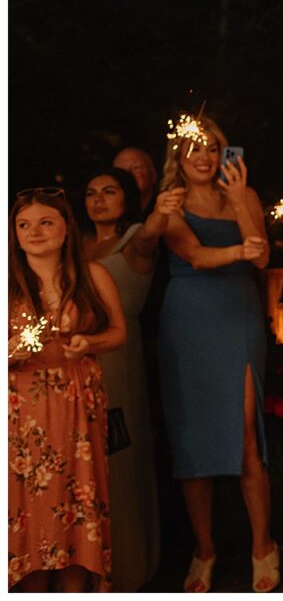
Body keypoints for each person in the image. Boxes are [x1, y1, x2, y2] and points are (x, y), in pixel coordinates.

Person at [155, 114, 277, 593]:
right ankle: (204, 550)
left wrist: (239, 199)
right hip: (188, 322)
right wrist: (239, 252)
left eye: (212, 147)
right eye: (194, 149)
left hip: (238, 318)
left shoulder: (242, 195)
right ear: (178, 158)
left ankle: (262, 544)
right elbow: (196, 256)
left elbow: (264, 256)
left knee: (246, 432)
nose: (203, 157)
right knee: (193, 440)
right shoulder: (172, 204)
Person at [9, 186, 126, 592]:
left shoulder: (91, 275)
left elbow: (118, 333)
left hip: (78, 404)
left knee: (78, 507)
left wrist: (88, 343)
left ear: (65, 229)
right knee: (27, 508)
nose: (33, 232)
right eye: (23, 225)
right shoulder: (8, 284)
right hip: (21, 411)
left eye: (45, 223)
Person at [82, 168, 174, 592]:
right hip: (77, 362)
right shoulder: (73, 244)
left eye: (110, 191)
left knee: (119, 462)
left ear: (127, 198)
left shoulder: (135, 238)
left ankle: (130, 569)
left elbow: (152, 233)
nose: (99, 199)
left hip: (119, 359)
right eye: (91, 193)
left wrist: (162, 209)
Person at [114, 145, 159, 213]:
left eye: (136, 168)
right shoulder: (111, 214)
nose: (128, 174)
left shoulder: (166, 209)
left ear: (153, 174)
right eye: (121, 170)